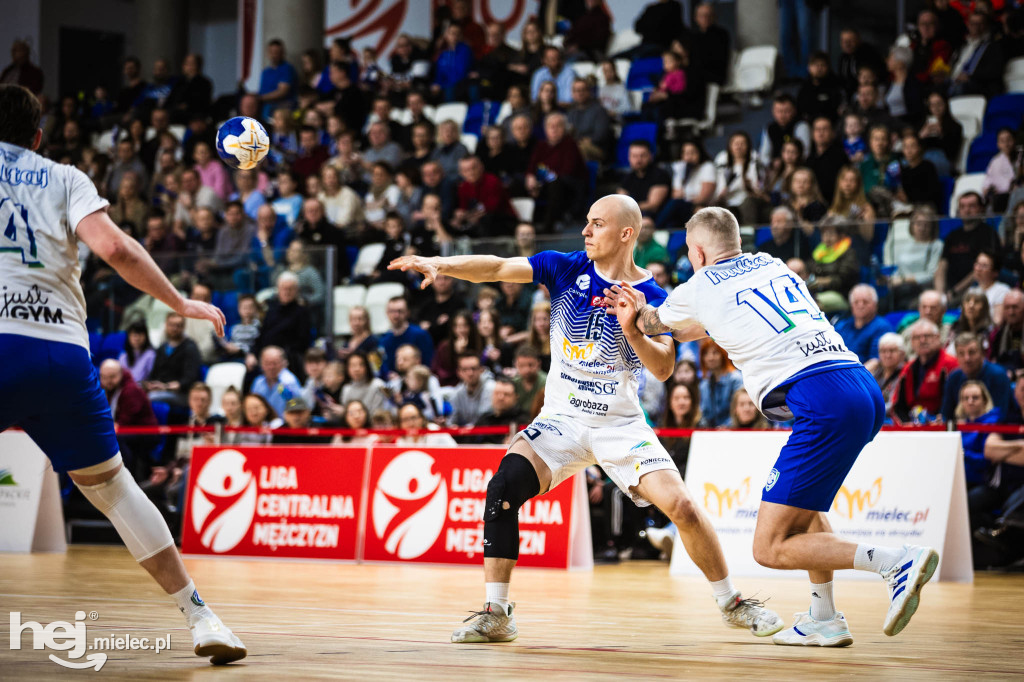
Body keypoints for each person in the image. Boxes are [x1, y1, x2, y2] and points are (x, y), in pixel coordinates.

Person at [391, 194, 784, 644]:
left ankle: (732, 603)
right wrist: (442, 262)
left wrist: (633, 325)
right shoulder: (564, 267)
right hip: (561, 420)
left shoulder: (653, 295)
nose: (585, 231)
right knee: (502, 488)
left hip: (620, 426)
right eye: (586, 222)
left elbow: (662, 369)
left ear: (625, 233)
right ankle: (497, 612)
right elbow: (498, 267)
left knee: (684, 508)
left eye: (596, 224)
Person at [611, 205, 938, 646]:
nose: (690, 260)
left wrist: (632, 306)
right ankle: (823, 617)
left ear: (701, 252)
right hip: (859, 384)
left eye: (690, 252)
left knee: (769, 547)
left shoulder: (700, 284)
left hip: (822, 398)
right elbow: (697, 327)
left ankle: (894, 561)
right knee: (806, 507)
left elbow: (652, 324)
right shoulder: (771, 263)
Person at [0, 83, 244, 663]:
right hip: (61, 354)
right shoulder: (63, 176)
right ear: (38, 136)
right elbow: (116, 249)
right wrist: (180, 302)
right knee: (115, 490)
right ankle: (201, 618)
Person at [934, 192, 1002, 301]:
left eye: (971, 206)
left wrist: (954, 292)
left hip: (973, 289)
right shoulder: (952, 235)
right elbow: (942, 266)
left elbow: (980, 271)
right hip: (948, 290)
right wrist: (939, 296)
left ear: (981, 209)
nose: (967, 210)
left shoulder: (989, 234)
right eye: (962, 206)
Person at [892, 319, 959, 423]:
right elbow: (898, 405)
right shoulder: (907, 368)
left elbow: (954, 403)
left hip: (941, 425)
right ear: (912, 342)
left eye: (927, 336)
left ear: (938, 338)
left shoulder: (950, 364)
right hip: (911, 427)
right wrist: (906, 424)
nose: (922, 340)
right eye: (917, 337)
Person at [941, 332, 1011, 422]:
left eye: (972, 352)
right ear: (956, 357)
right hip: (962, 430)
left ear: (982, 353)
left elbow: (1001, 415)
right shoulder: (953, 377)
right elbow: (946, 415)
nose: (967, 358)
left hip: (994, 431)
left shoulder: (998, 375)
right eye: (961, 354)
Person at [836, 285, 894, 363]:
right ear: (851, 305)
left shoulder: (882, 327)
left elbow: (876, 361)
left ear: (875, 305)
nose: (860, 305)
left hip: (864, 373)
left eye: (865, 302)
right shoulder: (841, 326)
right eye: (856, 302)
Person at [617, 140, 671, 218]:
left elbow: (653, 205)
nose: (639, 160)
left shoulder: (660, 175)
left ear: (650, 156)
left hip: (655, 218)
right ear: (629, 158)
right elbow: (621, 201)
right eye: (634, 156)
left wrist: (627, 208)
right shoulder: (627, 177)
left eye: (642, 156)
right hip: (633, 216)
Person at [449, 352, 495, 427]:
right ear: (459, 372)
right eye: (465, 369)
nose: (470, 373)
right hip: (467, 435)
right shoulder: (457, 393)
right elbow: (452, 421)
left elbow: (484, 419)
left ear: (481, 369)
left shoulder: (491, 388)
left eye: (473, 368)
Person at [868, 332, 908, 417]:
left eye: (892, 351)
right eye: (883, 351)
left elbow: (895, 405)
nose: (887, 355)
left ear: (902, 353)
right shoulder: (876, 372)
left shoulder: (906, 373)